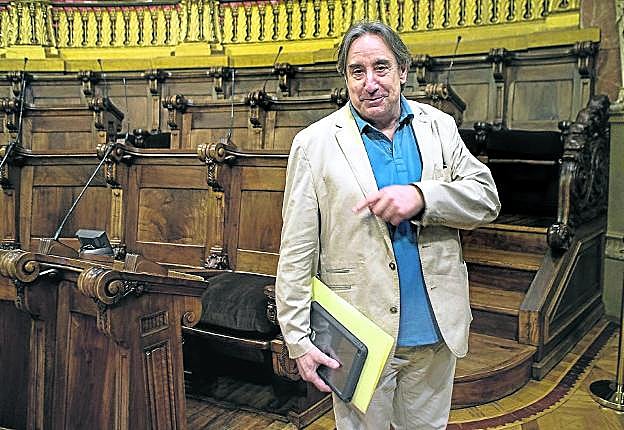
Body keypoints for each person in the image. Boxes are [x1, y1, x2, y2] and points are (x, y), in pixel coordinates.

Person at [275, 20, 500, 430]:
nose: (370, 83)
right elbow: (296, 250)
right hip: (359, 335)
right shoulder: (314, 144)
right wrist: (297, 339)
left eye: (381, 67)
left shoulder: (438, 126)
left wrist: (422, 197)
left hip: (434, 329)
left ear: (403, 71)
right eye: (356, 72)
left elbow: (486, 199)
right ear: (346, 78)